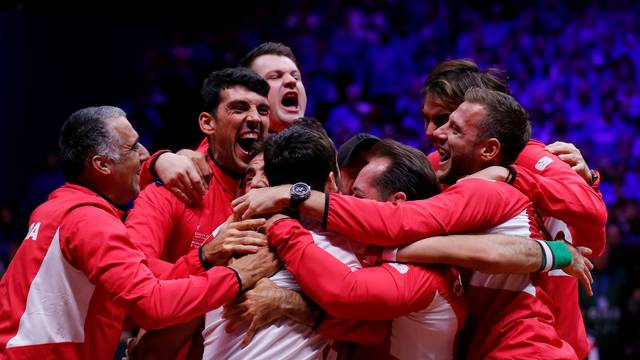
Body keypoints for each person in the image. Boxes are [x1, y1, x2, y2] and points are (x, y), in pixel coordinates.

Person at [233, 88, 577, 359]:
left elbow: (349, 288)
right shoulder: (418, 239)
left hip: (523, 352)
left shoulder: (482, 192)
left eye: (452, 127)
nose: (435, 134)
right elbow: (373, 329)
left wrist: (286, 210)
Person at [0, 106, 278, 359]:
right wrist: (237, 277)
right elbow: (152, 305)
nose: (146, 155)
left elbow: (141, 276)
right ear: (102, 164)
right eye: (133, 147)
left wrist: (203, 258)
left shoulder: (54, 209)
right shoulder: (90, 222)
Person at [417, 59, 606, 358]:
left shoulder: (532, 158)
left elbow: (592, 239)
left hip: (548, 339)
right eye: (426, 119)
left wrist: (584, 181)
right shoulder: (436, 166)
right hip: (480, 341)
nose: (431, 132)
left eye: (444, 121)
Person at [143, 42, 308, 206]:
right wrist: (158, 162)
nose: (291, 81)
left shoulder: (317, 148)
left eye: (296, 76)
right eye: (275, 76)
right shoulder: (208, 160)